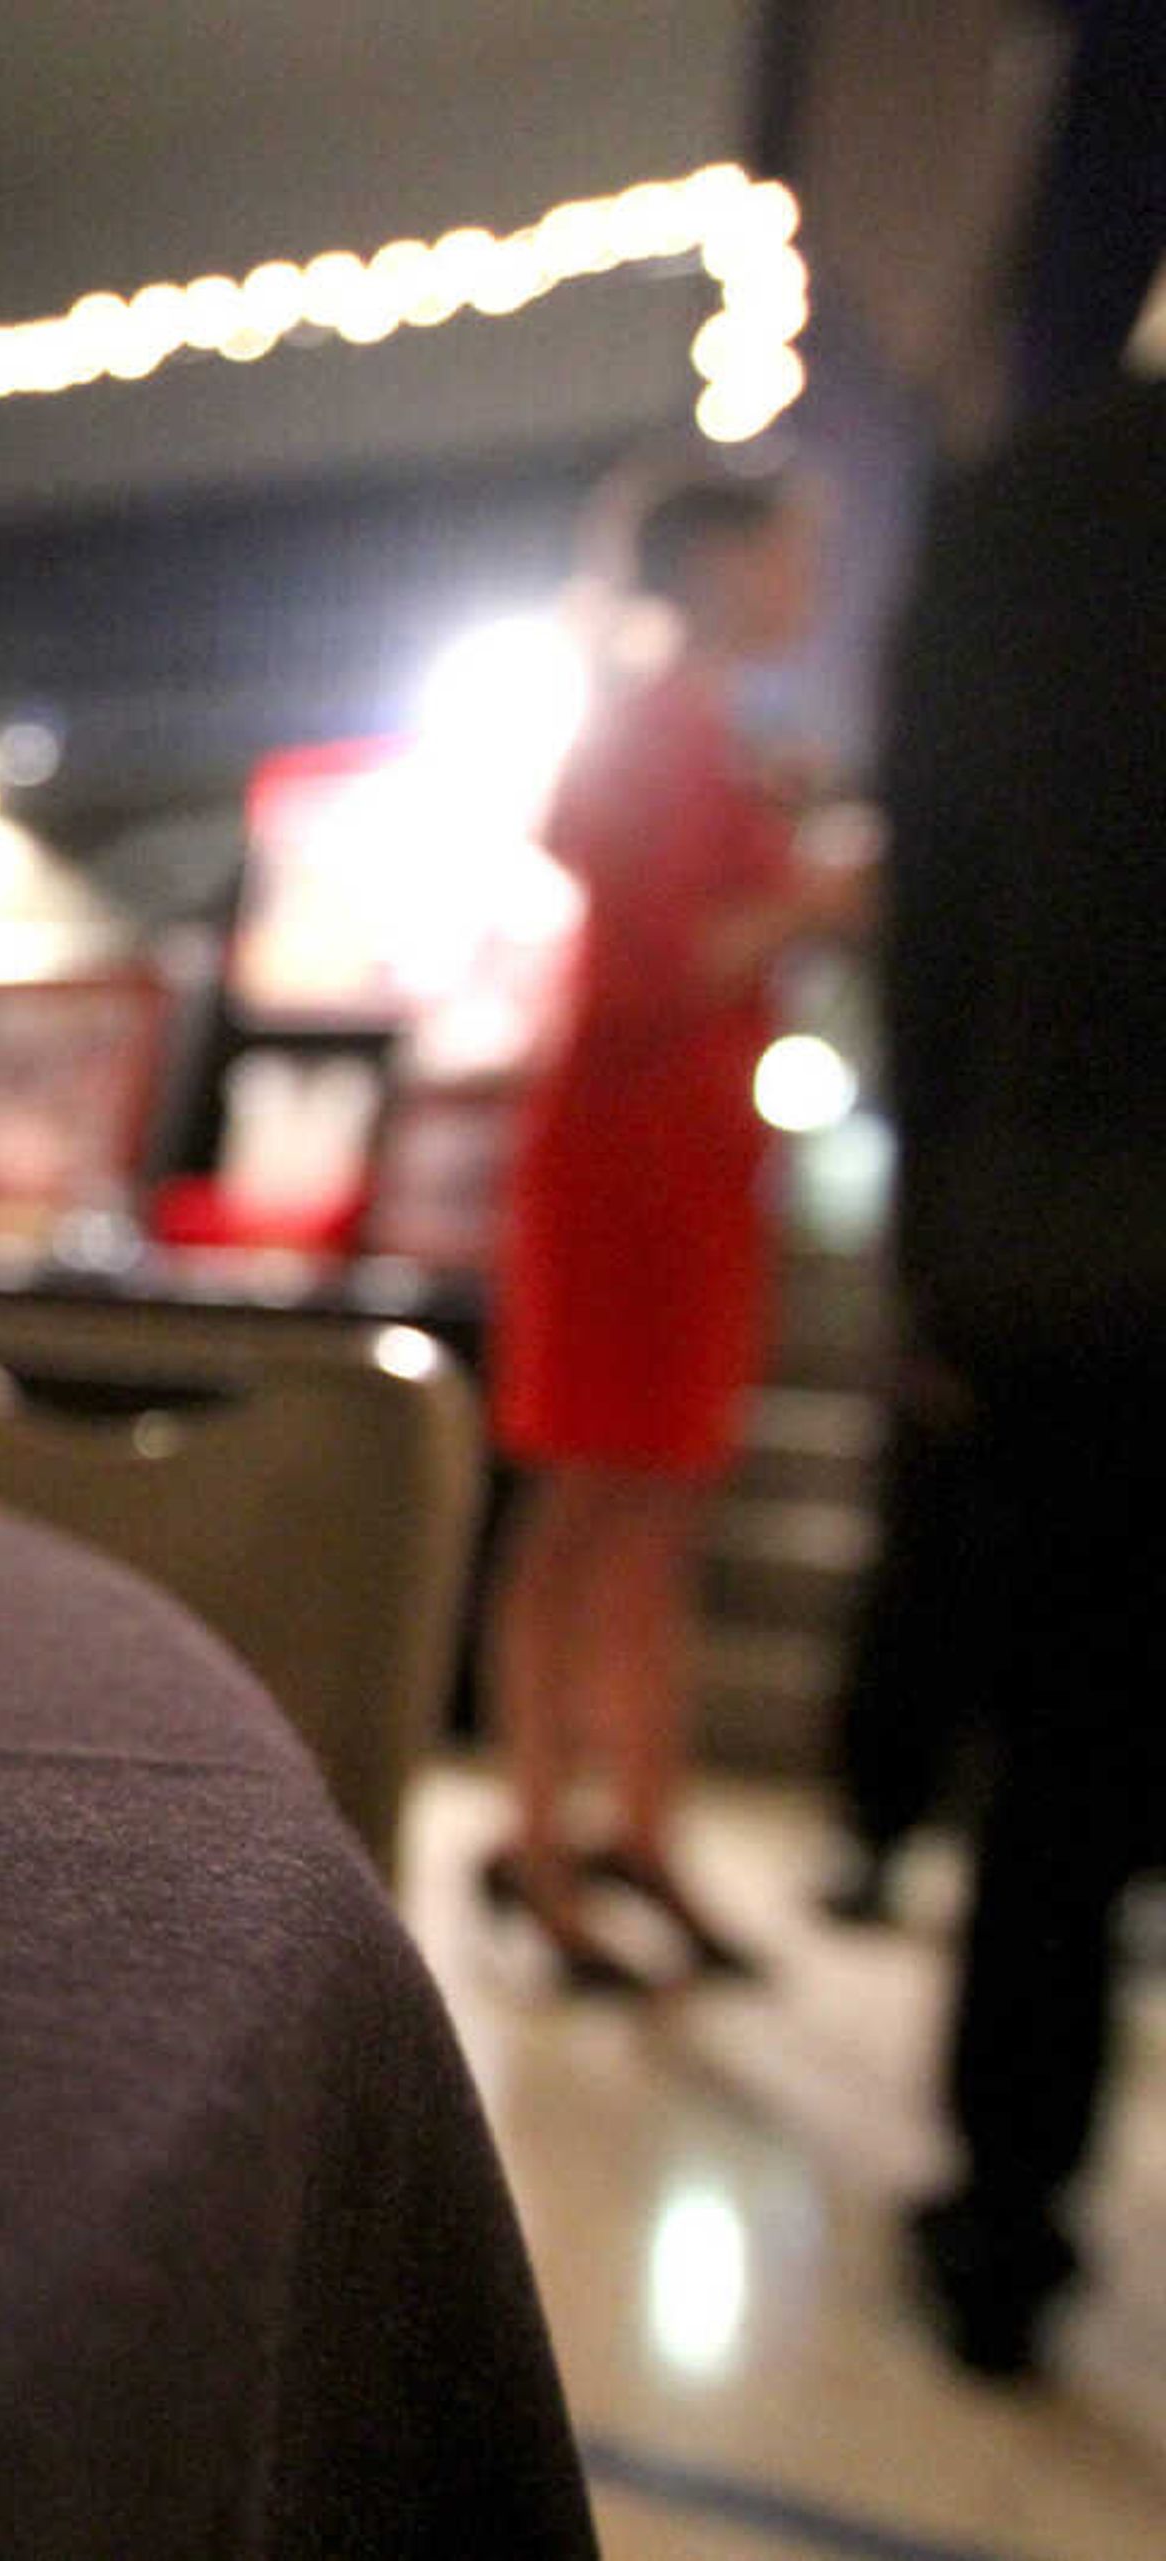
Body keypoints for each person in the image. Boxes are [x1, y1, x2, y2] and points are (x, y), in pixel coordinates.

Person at [477, 467, 872, 1992]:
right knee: (589, 1500)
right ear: (713, 562)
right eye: (785, 552)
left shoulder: (711, 731)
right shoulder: (649, 724)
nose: (802, 583)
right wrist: (813, 902)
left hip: (691, 1161)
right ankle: (548, 1842)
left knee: (660, 1508)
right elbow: (647, 971)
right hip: (623, 1157)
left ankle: (636, 1829)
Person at [873, 360, 1166, 2379]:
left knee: (1063, 1766)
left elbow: (943, 907)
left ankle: (1006, 2230)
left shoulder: (1046, 512)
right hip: (1081, 1244)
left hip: (1080, 1240)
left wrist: (937, 1251)